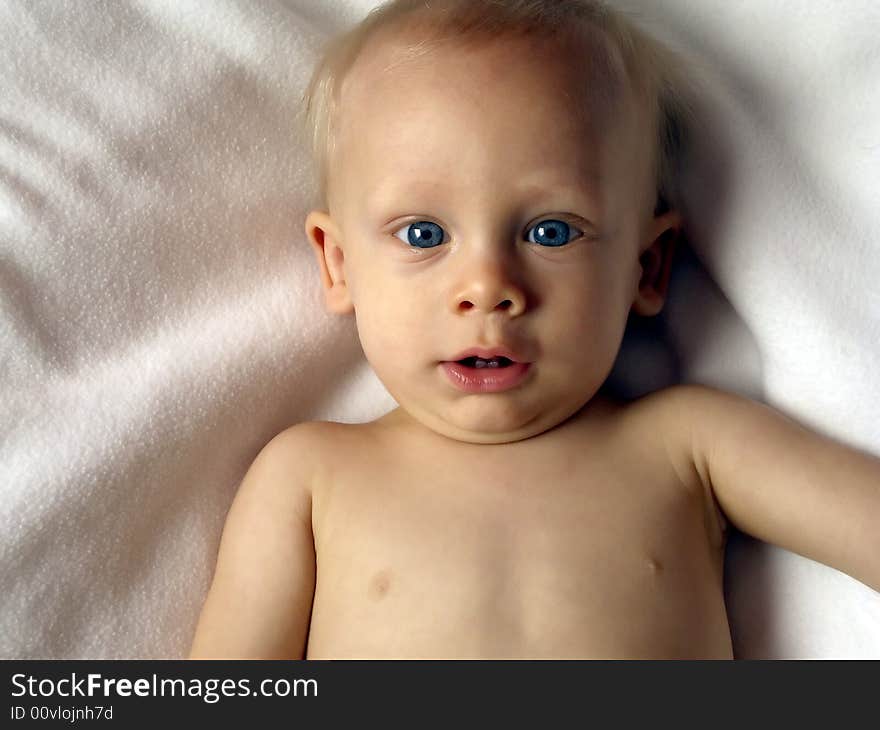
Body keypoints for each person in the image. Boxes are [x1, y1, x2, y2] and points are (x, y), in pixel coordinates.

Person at [189, 0, 880, 659]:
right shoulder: (309, 477)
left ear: (645, 267)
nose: (488, 287)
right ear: (339, 264)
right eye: (424, 233)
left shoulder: (691, 446)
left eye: (551, 232)